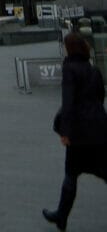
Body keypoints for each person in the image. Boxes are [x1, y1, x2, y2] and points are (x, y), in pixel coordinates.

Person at [42, 32, 107, 230]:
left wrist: (65, 132)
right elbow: (100, 98)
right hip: (99, 131)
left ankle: (61, 216)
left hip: (79, 134)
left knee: (71, 174)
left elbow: (68, 103)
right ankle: (60, 215)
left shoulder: (70, 69)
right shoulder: (93, 70)